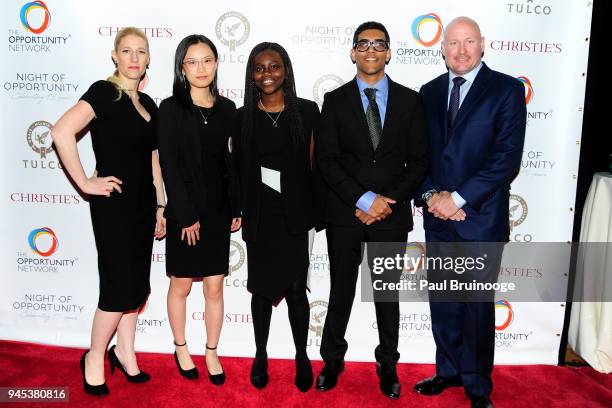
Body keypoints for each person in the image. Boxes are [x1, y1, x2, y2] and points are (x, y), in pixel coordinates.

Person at [414, 17, 526, 408]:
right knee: (443, 301)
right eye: (453, 43)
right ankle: (447, 371)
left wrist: (457, 199)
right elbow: (419, 156)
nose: (461, 51)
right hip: (437, 219)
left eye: (469, 42)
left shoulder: (507, 90)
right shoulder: (427, 93)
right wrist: (431, 196)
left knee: (477, 310)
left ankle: (478, 387)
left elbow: (506, 159)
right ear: (442, 48)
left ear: (482, 45)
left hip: (479, 220)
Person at [315, 21, 429, 399]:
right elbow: (328, 161)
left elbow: (418, 161)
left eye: (378, 44)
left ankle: (388, 363)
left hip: (391, 215)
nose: (370, 50)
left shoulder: (412, 101)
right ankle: (332, 359)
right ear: (352, 52)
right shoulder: (333, 100)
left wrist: (383, 202)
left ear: (389, 52)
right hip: (345, 213)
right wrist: (364, 200)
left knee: (386, 293)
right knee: (341, 289)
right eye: (363, 44)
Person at [51, 27, 166, 395]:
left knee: (137, 286)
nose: (134, 58)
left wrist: (162, 204)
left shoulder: (150, 105)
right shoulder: (103, 92)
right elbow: (61, 131)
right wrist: (85, 182)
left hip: (144, 205)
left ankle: (126, 352)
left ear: (148, 59)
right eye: (127, 51)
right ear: (115, 56)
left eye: (141, 51)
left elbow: (153, 159)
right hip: (113, 206)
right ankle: (95, 355)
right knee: (117, 288)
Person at [233, 42, 320, 392]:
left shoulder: (309, 112)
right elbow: (237, 170)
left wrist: (319, 212)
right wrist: (237, 210)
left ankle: (302, 354)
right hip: (261, 218)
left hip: (296, 217)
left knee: (297, 290)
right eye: (259, 68)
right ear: (252, 75)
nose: (267, 74)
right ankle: (260, 354)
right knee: (261, 290)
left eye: (274, 66)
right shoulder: (243, 117)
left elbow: (318, 168)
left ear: (286, 70)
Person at [156, 34, 241, 386]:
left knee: (215, 288)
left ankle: (211, 351)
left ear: (217, 63)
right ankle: (180, 346)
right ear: (181, 67)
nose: (201, 68)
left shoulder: (227, 109)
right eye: (192, 61)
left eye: (207, 60)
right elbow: (170, 166)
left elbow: (229, 160)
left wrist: (236, 205)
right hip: (183, 212)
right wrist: (186, 215)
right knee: (180, 285)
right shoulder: (170, 109)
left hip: (219, 211)